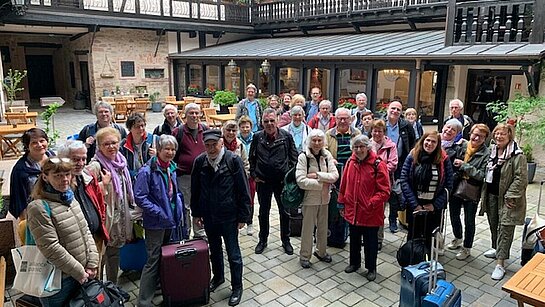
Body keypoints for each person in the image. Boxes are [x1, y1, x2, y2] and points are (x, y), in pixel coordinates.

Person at [26, 157, 99, 306]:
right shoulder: (38, 207)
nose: (64, 179)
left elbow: (85, 231)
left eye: (67, 174)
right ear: (45, 177)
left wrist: (92, 262)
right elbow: (51, 247)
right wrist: (80, 272)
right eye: (58, 175)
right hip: (59, 282)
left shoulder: (70, 198)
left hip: (83, 273)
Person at [191, 130, 251, 306]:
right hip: (209, 216)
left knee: (233, 253)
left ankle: (237, 287)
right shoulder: (200, 162)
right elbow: (195, 191)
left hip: (229, 216)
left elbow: (243, 190)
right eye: (207, 145)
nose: (211, 148)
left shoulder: (233, 160)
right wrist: (196, 213)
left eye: (214, 144)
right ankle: (218, 278)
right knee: (215, 250)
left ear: (221, 143)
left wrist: (243, 216)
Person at [134, 134, 184, 306]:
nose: (170, 152)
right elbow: (140, 197)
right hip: (156, 223)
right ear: (158, 151)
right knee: (153, 259)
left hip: (170, 220)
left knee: (165, 256)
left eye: (172, 149)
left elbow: (172, 193)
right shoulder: (146, 171)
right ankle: (144, 301)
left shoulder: (171, 167)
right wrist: (158, 212)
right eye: (166, 149)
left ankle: (162, 288)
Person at [338, 135, 391, 281]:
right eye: (356, 147)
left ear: (368, 147)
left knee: (370, 243)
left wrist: (371, 203)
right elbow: (344, 184)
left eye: (361, 146)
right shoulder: (350, 161)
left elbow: (385, 191)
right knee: (354, 240)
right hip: (353, 210)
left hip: (370, 212)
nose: (359, 149)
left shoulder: (378, 164)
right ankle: (354, 263)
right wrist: (341, 203)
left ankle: (371, 268)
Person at [480, 123, 527, 280]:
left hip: (508, 200)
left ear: (510, 136)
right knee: (494, 225)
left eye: (503, 134)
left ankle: (500, 264)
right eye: (497, 133)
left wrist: (510, 196)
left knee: (505, 229)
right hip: (492, 196)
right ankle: (496, 249)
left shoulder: (517, 155)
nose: (499, 137)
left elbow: (521, 179)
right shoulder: (493, 150)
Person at [87, 127, 133, 284]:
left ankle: (112, 287)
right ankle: (98, 290)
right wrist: (102, 185)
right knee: (99, 258)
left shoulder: (120, 162)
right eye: (106, 144)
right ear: (99, 146)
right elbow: (85, 192)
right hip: (103, 221)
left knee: (114, 254)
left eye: (114, 143)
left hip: (118, 218)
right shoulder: (95, 166)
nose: (111, 147)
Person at [249, 108, 298, 255]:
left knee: (285, 212)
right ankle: (262, 240)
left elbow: (294, 158)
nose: (269, 123)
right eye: (266, 121)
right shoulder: (257, 137)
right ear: (262, 122)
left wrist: (290, 178)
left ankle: (286, 240)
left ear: (277, 120)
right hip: (263, 181)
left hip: (281, 183)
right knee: (263, 212)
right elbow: (252, 158)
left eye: (271, 120)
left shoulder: (286, 136)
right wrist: (253, 174)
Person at [57, 140, 109, 265]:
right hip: (73, 246)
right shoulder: (58, 185)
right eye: (75, 159)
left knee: (96, 278)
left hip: (95, 238)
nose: (80, 164)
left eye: (83, 159)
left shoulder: (88, 176)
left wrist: (100, 221)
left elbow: (99, 202)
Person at [400, 131, 453, 253]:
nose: (429, 143)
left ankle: (426, 262)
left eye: (433, 141)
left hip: (433, 207)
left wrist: (435, 205)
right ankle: (411, 261)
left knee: (430, 236)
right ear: (423, 140)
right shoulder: (413, 155)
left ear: (438, 144)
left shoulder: (443, 159)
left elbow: (448, 185)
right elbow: (404, 180)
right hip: (415, 204)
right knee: (413, 235)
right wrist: (415, 205)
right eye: (427, 140)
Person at [295, 129, 339, 269]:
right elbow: (301, 180)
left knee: (323, 227)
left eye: (319, 140)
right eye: (314, 140)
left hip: (325, 198)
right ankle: (305, 256)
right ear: (309, 141)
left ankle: (321, 251)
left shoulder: (327, 155)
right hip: (310, 199)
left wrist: (317, 175)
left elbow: (335, 175)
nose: (317, 143)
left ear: (323, 142)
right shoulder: (303, 157)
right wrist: (323, 183)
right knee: (307, 229)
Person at [447, 124, 491, 260]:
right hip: (457, 186)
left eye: (481, 136)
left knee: (469, 220)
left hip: (472, 189)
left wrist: (465, 166)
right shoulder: (463, 146)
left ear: (485, 139)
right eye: (474, 134)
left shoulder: (486, 153)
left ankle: (467, 248)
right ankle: (458, 237)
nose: (476, 138)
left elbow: (482, 175)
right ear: (470, 133)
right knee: (453, 215)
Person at [172, 103, 208, 239]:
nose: (194, 116)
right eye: (191, 113)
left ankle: (199, 233)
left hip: (202, 176)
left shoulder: (205, 129)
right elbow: (172, 153)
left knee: (200, 204)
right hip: (184, 176)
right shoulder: (178, 132)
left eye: (196, 113)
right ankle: (185, 233)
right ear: (185, 115)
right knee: (185, 206)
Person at [10, 128, 55, 222]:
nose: (39, 145)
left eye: (42, 141)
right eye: (34, 142)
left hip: (56, 209)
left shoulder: (53, 158)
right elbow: (19, 198)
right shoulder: (20, 170)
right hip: (35, 214)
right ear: (27, 146)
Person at [384, 101, 416, 232]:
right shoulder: (380, 123)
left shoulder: (406, 126)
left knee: (395, 194)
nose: (395, 111)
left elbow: (412, 143)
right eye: (393, 108)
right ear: (387, 109)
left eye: (398, 109)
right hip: (381, 164)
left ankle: (393, 219)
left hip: (399, 165)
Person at [370, 119, 398, 245]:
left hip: (383, 184)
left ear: (384, 132)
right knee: (368, 209)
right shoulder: (367, 144)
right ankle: (368, 235)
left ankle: (378, 239)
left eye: (380, 131)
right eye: (375, 131)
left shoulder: (391, 146)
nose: (377, 134)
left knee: (380, 211)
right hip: (368, 183)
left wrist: (378, 170)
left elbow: (393, 164)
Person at [120, 113, 157, 183]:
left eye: (142, 125)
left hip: (150, 180)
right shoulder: (123, 145)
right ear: (130, 128)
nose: (141, 129)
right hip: (132, 181)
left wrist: (158, 155)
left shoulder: (153, 140)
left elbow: (165, 159)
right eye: (137, 126)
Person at [237, 116, 256, 235]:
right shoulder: (236, 140)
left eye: (247, 126)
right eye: (242, 127)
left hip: (251, 174)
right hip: (238, 174)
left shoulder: (256, 138)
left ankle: (249, 222)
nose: (245, 129)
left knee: (250, 199)